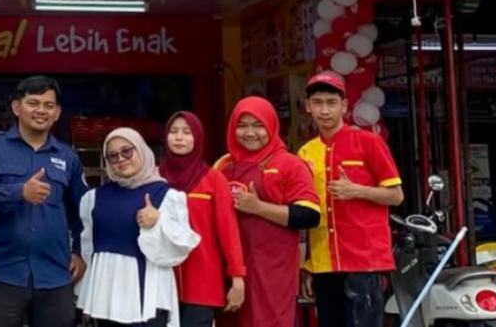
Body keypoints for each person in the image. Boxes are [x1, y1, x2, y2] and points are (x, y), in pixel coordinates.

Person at [0, 76, 88, 327]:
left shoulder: (68, 157)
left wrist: (79, 252)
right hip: (3, 272)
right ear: (16, 107)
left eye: (48, 105)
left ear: (57, 113)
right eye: (33, 103)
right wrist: (19, 192)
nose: (41, 110)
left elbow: (83, 212)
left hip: (55, 274)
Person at [298, 73, 404, 327]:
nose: (324, 110)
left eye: (331, 103)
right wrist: (308, 265)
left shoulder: (369, 142)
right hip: (323, 260)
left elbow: (396, 195)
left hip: (364, 259)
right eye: (318, 103)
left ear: (344, 106)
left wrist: (357, 191)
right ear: (308, 106)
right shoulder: (305, 152)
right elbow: (308, 211)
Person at [76, 128, 200, 327]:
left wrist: (157, 222)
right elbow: (87, 248)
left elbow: (180, 248)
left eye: (127, 151)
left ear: (141, 150)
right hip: (105, 297)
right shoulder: (94, 198)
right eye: (113, 155)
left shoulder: (166, 196)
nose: (121, 159)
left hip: (147, 297)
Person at [215, 97, 320, 327]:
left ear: (271, 126)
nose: (250, 133)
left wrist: (258, 208)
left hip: (273, 269)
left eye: (258, 125)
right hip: (231, 268)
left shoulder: (289, 164)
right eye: (242, 126)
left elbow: (309, 214)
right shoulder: (224, 165)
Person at [161, 112, 246, 327]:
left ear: (198, 138)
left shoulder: (213, 179)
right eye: (173, 131)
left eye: (187, 132)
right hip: (162, 281)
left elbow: (228, 231)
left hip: (203, 283)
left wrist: (237, 277)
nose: (179, 137)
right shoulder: (155, 177)